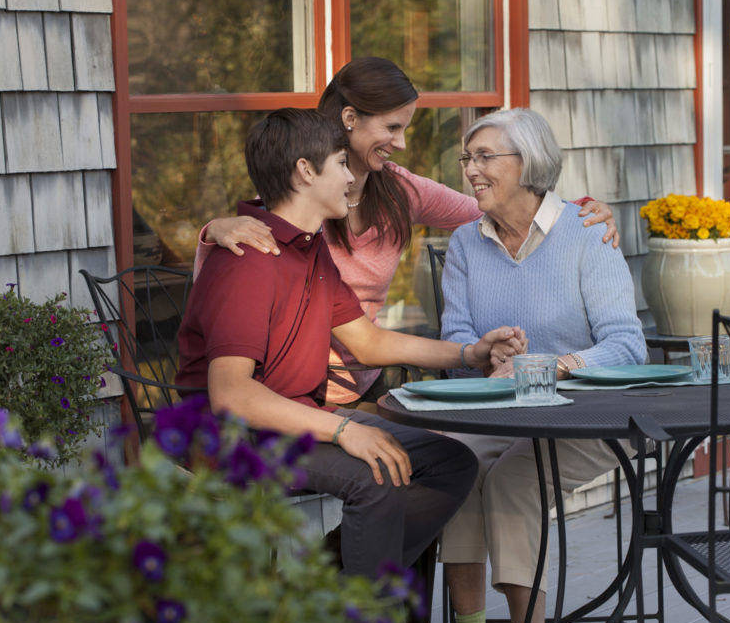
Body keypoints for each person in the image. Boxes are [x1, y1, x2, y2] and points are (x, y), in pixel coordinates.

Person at [175, 107, 527, 623]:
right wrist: (344, 431)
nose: (352, 177)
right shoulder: (248, 258)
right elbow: (231, 394)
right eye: (342, 163)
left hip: (292, 419)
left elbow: (367, 342)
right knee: (377, 474)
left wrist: (469, 351)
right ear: (304, 172)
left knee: (449, 461)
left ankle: (319, 595)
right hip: (229, 435)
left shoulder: (309, 247)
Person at [192, 57, 619, 408]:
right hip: (288, 392)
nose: (400, 142)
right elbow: (241, 279)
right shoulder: (306, 194)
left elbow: (497, 206)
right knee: (426, 459)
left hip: (368, 375)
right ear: (349, 119)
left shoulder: (400, 190)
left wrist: (572, 212)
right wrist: (215, 229)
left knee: (442, 455)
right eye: (392, 128)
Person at [436, 108, 647, 623]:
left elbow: (628, 345)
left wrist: (557, 364)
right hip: (501, 412)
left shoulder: (586, 232)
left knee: (511, 480)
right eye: (467, 158)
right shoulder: (464, 243)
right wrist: (486, 350)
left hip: (588, 415)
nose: (471, 170)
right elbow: (455, 337)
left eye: (485, 157)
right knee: (450, 459)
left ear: (528, 163)